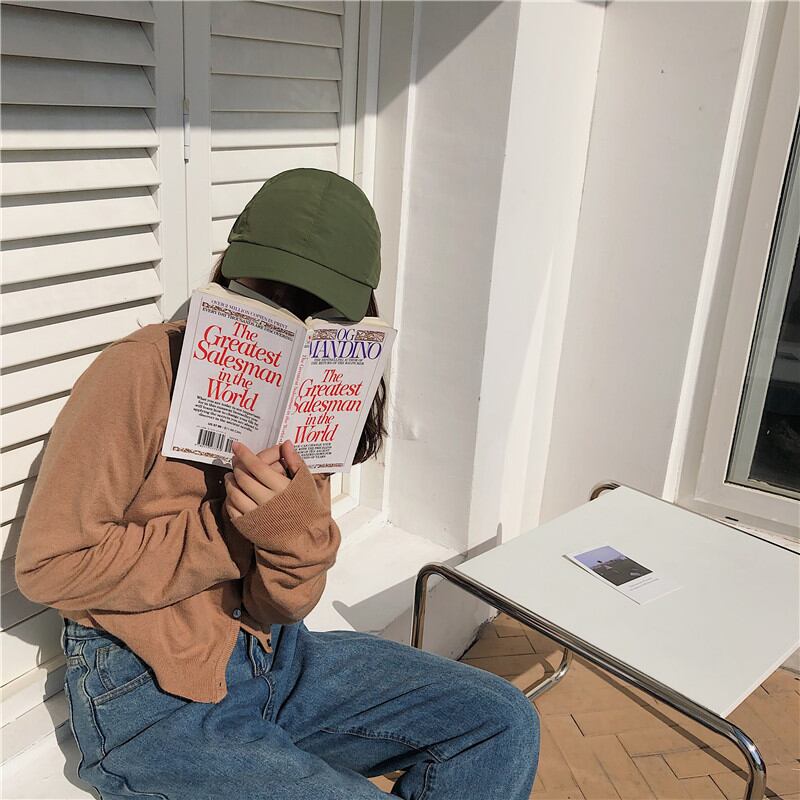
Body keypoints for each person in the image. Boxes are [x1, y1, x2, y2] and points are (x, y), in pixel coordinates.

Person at [15, 168, 540, 800]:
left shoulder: (315, 383)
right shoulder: (139, 371)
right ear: (229, 275)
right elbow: (50, 566)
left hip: (276, 657)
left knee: (501, 720)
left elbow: (281, 607)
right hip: (148, 688)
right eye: (270, 292)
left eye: (320, 309)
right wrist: (227, 531)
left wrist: (288, 535)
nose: (292, 317)